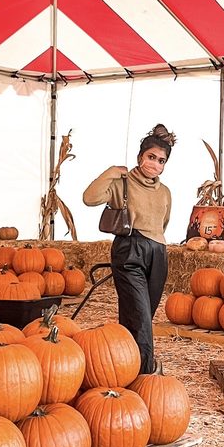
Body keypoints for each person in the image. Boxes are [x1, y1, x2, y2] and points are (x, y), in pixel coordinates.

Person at [83, 124, 175, 375]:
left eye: (161, 161)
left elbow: (163, 223)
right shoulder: (121, 183)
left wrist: (156, 244)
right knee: (142, 316)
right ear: (140, 157)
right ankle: (146, 373)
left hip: (158, 252)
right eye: (151, 157)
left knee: (138, 314)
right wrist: (111, 171)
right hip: (129, 249)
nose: (155, 164)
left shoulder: (165, 192)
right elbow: (89, 198)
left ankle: (125, 365)